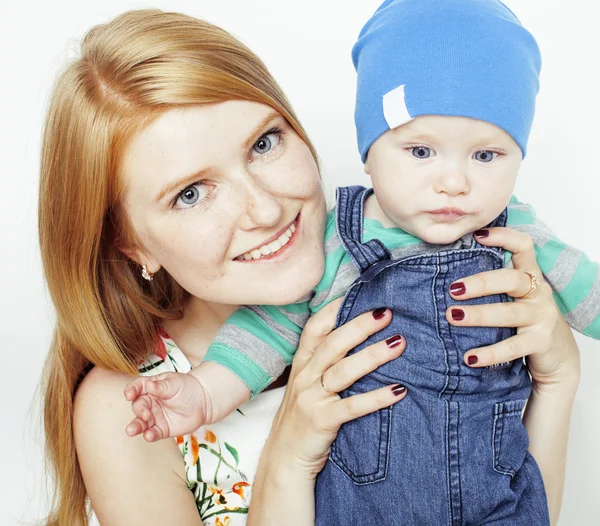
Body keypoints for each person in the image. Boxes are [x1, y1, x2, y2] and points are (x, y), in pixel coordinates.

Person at [38, 8, 580, 526]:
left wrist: (557, 377)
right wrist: (289, 458)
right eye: (190, 194)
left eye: (264, 143)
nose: (266, 210)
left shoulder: (424, 254)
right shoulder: (131, 412)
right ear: (133, 248)